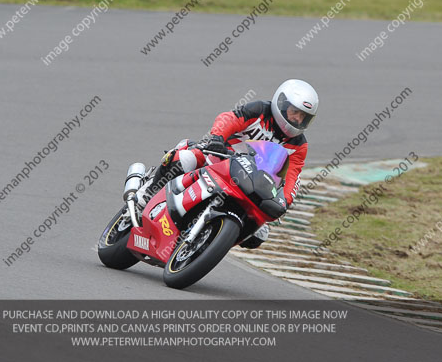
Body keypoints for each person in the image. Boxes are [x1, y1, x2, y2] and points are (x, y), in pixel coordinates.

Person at [136, 79, 319, 248]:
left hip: (251, 183)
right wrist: (217, 137)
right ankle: (150, 191)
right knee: (186, 159)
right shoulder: (260, 110)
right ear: (281, 104)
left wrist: (284, 201)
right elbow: (230, 118)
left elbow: (293, 174)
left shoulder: (299, 145)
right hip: (220, 157)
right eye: (295, 112)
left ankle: (206, 242)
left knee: (259, 234)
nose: (297, 119)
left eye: (304, 117)